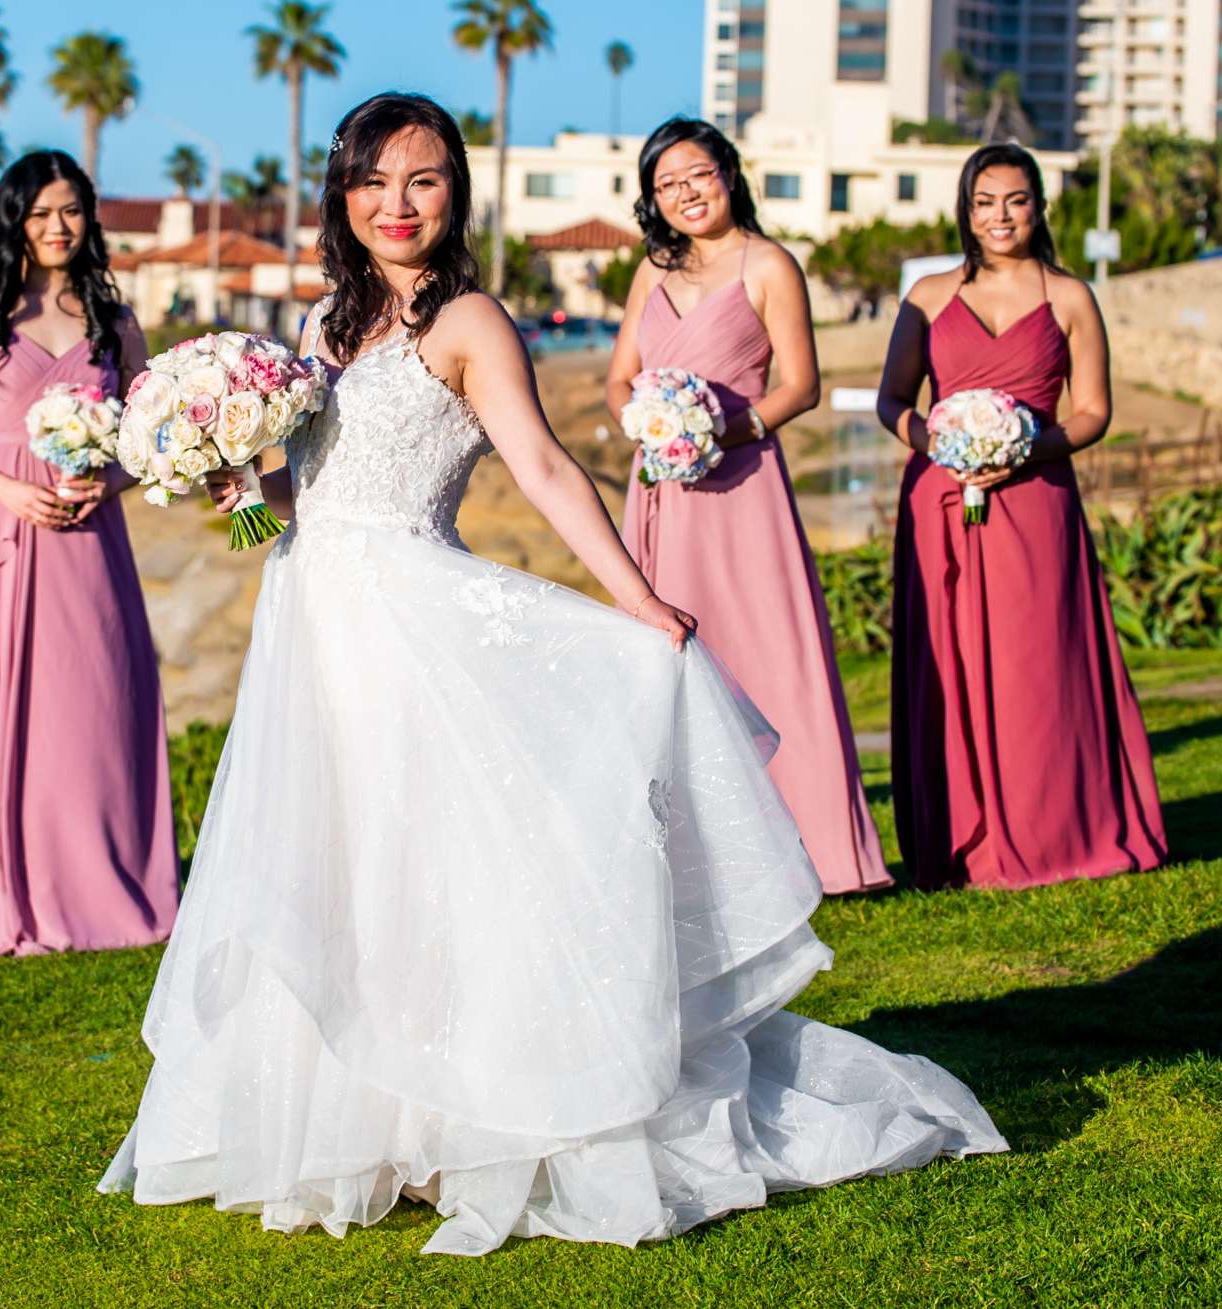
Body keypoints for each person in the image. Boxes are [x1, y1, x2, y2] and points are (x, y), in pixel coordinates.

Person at [99, 92, 1003, 1256]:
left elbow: (543, 466)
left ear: (455, 195)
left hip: (409, 618)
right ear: (343, 193)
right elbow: (302, 503)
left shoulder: (471, 321)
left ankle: (457, 1118)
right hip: (310, 624)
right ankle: (365, 1125)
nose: (397, 204)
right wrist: (239, 496)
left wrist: (636, 598)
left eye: (423, 180)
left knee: (422, 861)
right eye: (375, 181)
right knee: (339, 861)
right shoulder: (324, 328)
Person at [607, 117, 891, 894]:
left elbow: (801, 383)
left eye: (697, 174)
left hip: (742, 484)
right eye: (666, 184)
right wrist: (645, 423)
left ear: (728, 173)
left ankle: (821, 849)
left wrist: (724, 430)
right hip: (663, 485)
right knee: (675, 651)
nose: (685, 193)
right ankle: (697, 852)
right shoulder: (650, 274)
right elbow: (620, 373)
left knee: (769, 647)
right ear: (652, 201)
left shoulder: (768, 264)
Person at [0, 150, 177, 960]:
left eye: (70, 211)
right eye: (40, 213)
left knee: (95, 702)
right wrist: (4, 491)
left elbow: (150, 436)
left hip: (87, 534)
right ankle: (4, 891)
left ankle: (106, 882)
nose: (57, 228)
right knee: (1, 704)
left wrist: (115, 481)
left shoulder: (112, 319)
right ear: (13, 220)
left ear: (89, 217)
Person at [876, 145, 1169, 891]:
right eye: (984, 201)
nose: (999, 216)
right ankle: (958, 842)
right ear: (964, 209)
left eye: (1014, 200)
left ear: (1039, 207)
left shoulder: (1069, 296)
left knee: (1038, 669)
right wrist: (939, 443)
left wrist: (1027, 448)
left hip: (1036, 502)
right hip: (940, 502)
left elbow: (1096, 410)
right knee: (955, 664)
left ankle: (1055, 833)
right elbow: (892, 401)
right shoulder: (929, 295)